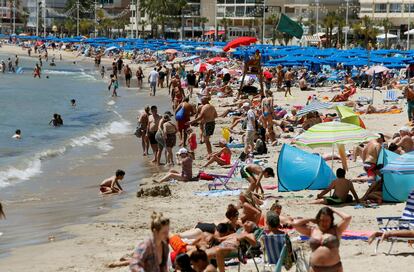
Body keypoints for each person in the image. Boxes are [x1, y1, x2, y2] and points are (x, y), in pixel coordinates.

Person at [293, 207, 352, 272]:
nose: (325, 223)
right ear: (318, 220)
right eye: (322, 220)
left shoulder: (337, 229)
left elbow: (347, 217)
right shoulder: (312, 230)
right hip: (315, 269)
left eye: (327, 220)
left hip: (334, 268)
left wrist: (333, 210)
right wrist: (311, 219)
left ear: (331, 220)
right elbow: (295, 224)